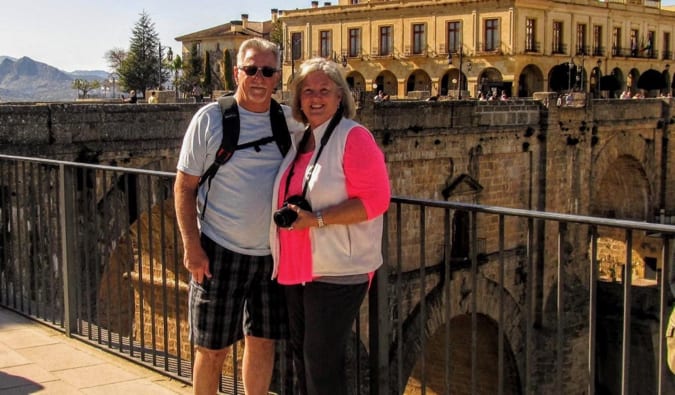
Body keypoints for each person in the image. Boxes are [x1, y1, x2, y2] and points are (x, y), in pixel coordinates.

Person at [174, 37, 303, 395]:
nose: (259, 78)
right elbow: (184, 187)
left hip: (272, 257)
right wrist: (192, 248)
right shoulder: (212, 119)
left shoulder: (289, 122)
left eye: (267, 71)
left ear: (277, 76)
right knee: (212, 349)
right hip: (219, 253)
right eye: (251, 70)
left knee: (262, 341)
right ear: (237, 73)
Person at [269, 57, 391, 394]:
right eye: (307, 91)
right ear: (298, 99)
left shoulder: (355, 137)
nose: (315, 97)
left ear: (340, 96)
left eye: (324, 90)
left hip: (339, 268)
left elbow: (376, 201)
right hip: (297, 267)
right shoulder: (302, 138)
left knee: (320, 361)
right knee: (302, 359)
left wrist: (317, 219)